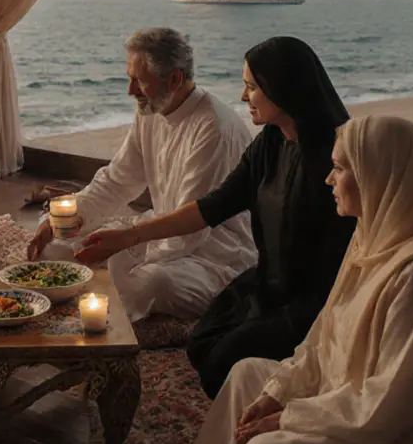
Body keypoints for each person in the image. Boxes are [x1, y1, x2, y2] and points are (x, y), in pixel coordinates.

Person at [187, 115, 413, 444]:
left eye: (338, 168)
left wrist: (289, 418)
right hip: (364, 402)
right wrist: (279, 393)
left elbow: (391, 408)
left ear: (378, 176)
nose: (328, 179)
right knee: (248, 376)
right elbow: (324, 337)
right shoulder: (374, 236)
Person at [77, 36, 355, 396]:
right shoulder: (269, 143)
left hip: (311, 300)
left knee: (222, 360)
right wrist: (126, 238)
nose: (243, 97)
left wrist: (132, 242)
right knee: (201, 344)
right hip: (266, 281)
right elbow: (211, 206)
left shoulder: (337, 161)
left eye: (251, 87)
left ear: (281, 90)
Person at [29, 28, 256, 322]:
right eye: (129, 78)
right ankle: (106, 285)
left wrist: (124, 250)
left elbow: (192, 230)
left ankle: (108, 298)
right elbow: (117, 179)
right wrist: (68, 217)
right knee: (55, 246)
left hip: (212, 252)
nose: (130, 90)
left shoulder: (213, 128)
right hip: (154, 232)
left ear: (173, 80)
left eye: (138, 80)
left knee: (151, 282)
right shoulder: (150, 111)